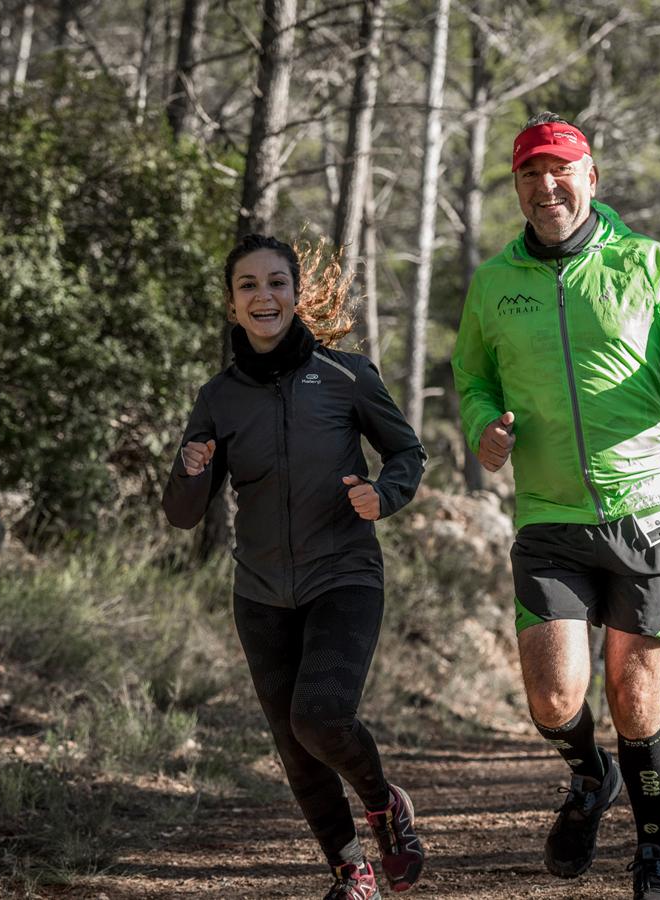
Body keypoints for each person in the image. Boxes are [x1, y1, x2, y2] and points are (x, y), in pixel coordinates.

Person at [452, 112, 660, 900]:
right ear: (518, 188)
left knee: (635, 700)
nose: (545, 186)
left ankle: (653, 853)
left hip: (647, 514)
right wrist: (482, 431)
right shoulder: (494, 284)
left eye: (560, 170)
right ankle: (587, 775)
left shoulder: (649, 265)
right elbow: (472, 379)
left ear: (591, 177)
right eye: (529, 174)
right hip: (549, 515)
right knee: (554, 697)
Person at [162, 234, 427, 899]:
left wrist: (384, 494)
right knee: (293, 744)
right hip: (260, 594)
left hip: (344, 576)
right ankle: (350, 874)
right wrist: (191, 472)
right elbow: (183, 512)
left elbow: (407, 454)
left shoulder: (347, 375)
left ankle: (384, 804)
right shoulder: (219, 397)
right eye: (247, 286)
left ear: (295, 292)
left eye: (276, 282)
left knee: (321, 718)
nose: (264, 296)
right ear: (231, 305)